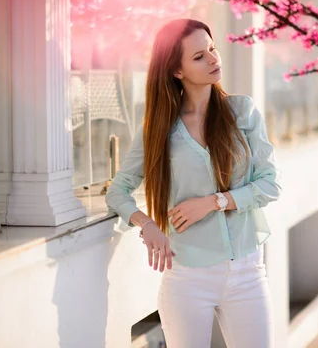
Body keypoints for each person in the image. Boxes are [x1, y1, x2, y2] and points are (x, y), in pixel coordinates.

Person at [105, 18, 282, 348]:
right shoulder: (159, 130)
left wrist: (215, 202)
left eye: (212, 49)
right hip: (188, 277)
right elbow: (118, 190)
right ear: (177, 70)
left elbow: (270, 184)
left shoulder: (242, 111)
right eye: (199, 56)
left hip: (246, 271)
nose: (214, 59)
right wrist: (147, 224)